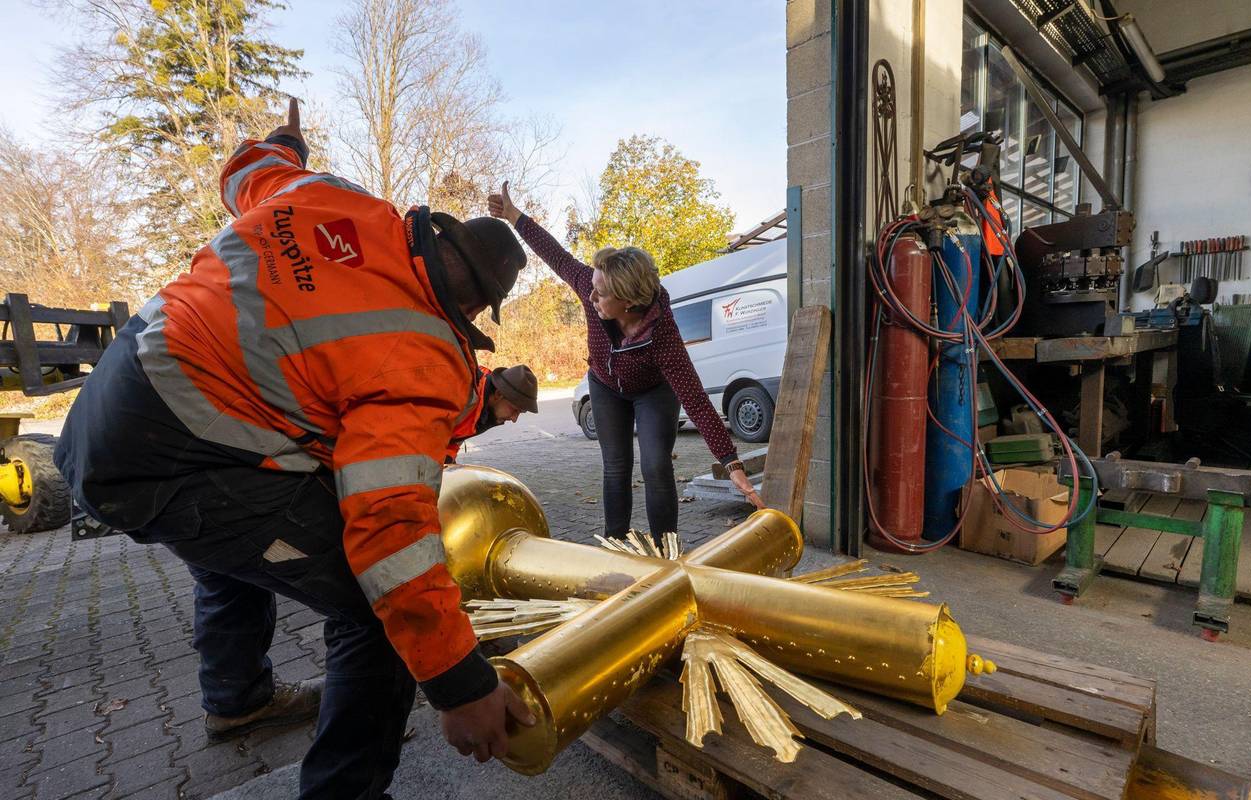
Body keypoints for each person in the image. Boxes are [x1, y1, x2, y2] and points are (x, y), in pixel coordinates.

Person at [55, 99, 534, 799]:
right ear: (473, 311)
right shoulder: (423, 353)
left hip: (105, 410)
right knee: (376, 609)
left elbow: (248, 168)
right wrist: (458, 682)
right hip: (172, 460)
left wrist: (288, 142)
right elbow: (388, 531)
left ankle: (238, 698)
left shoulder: (330, 196)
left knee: (235, 543)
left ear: (436, 230)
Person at [487, 182, 764, 543]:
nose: (590, 296)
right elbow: (557, 256)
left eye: (600, 293)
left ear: (629, 302)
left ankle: (665, 550)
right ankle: (616, 544)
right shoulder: (591, 287)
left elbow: (696, 400)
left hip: (653, 392)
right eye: (592, 287)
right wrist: (514, 216)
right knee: (616, 467)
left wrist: (731, 463)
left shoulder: (662, 334)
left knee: (656, 466)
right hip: (605, 387)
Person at [446, 364, 539, 462]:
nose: (514, 419)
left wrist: (448, 459)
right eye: (514, 410)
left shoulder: (486, 410)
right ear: (498, 394)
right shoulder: (463, 394)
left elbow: (455, 437)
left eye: (521, 412)